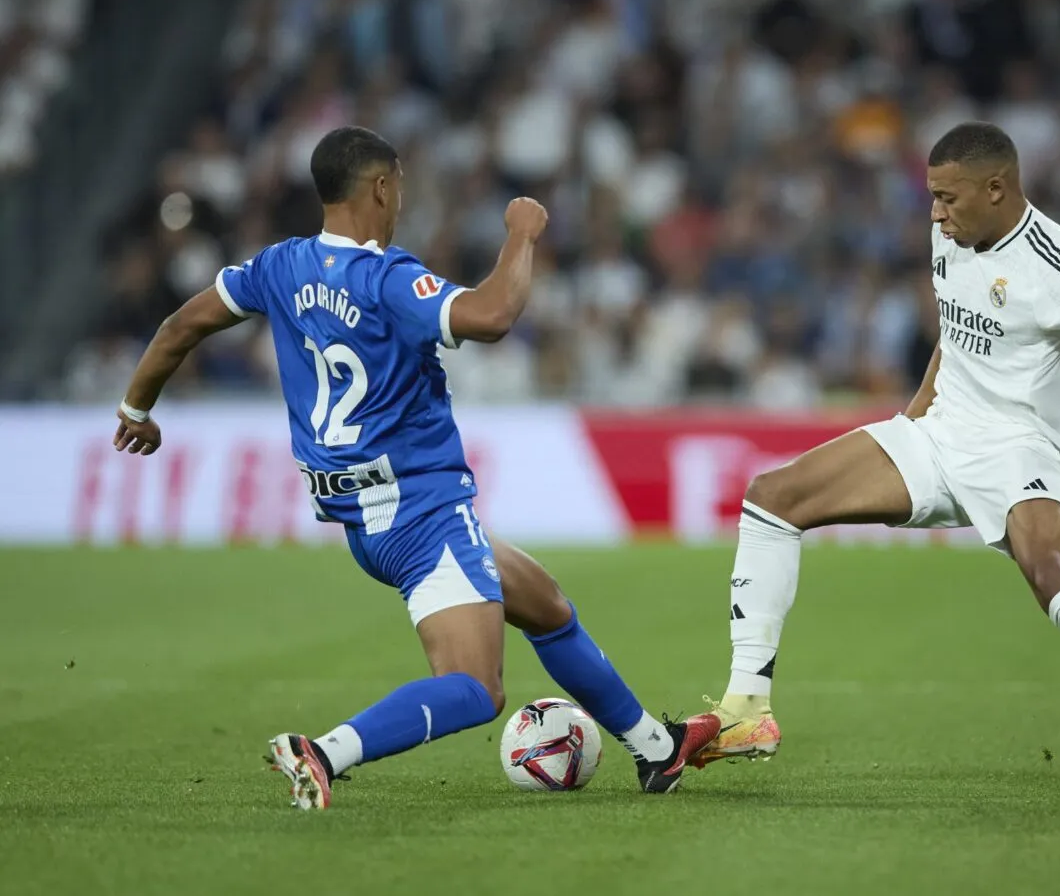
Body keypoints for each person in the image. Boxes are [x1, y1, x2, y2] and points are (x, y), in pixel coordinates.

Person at [112, 125, 718, 809]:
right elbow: (492, 316)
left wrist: (136, 409)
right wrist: (520, 233)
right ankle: (324, 751)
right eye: (397, 184)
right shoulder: (387, 276)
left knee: (544, 602)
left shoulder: (278, 267)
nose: (400, 198)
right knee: (476, 687)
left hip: (363, 517)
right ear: (379, 186)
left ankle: (656, 751)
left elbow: (180, 326)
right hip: (423, 509)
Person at [693, 122, 1060, 799]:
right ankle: (747, 709)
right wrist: (912, 417)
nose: (935, 212)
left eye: (948, 196)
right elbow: (953, 330)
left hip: (1021, 445)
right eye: (932, 197)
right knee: (771, 496)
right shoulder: (950, 234)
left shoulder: (1057, 260)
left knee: (1053, 573)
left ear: (996, 188)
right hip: (940, 435)